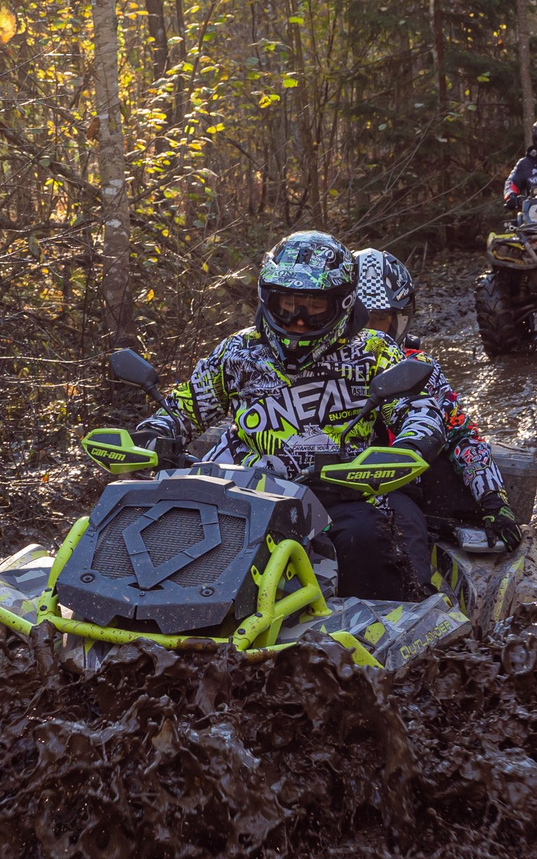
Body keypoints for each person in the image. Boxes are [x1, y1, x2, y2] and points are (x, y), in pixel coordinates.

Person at [136, 232, 448, 601]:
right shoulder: (238, 350)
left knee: (365, 535)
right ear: (267, 299)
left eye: (313, 307)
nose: (298, 320)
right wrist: (157, 430)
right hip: (240, 494)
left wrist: (414, 440)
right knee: (161, 525)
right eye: (287, 304)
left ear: (343, 303)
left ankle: (379, 631)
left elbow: (418, 407)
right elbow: (185, 406)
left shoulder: (374, 351)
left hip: (338, 495)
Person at [352, 248, 523, 550]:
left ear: (399, 320)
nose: (368, 334)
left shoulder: (418, 367)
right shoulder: (311, 370)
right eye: (359, 321)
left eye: (377, 321)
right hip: (329, 490)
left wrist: (493, 499)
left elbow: (462, 436)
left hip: (404, 491)